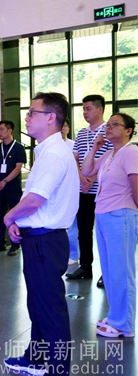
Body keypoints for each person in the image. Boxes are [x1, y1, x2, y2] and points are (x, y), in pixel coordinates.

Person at [3, 92, 79, 376]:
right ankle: (34, 358)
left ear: (51, 118)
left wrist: (9, 217)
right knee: (38, 305)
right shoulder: (48, 150)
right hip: (40, 238)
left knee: (50, 310)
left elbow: (35, 200)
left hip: (45, 242)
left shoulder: (55, 153)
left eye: (32, 112)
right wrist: (19, 222)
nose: (26, 118)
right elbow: (35, 201)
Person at [81, 113, 138, 338]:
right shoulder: (109, 154)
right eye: (109, 124)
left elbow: (136, 186)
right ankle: (116, 316)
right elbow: (87, 171)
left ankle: (124, 325)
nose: (109, 127)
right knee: (109, 271)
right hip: (104, 215)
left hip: (121, 215)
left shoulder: (131, 152)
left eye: (115, 125)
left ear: (128, 131)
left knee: (121, 271)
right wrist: (95, 147)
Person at [66, 95, 113, 289]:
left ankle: (107, 273)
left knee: (103, 233)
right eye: (83, 109)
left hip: (102, 190)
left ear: (100, 109)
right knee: (83, 231)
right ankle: (86, 267)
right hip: (82, 190)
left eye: (88, 108)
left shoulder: (109, 131)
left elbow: (111, 158)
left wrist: (92, 178)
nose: (85, 112)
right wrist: (80, 177)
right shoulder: (82, 133)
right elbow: (75, 158)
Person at [0, 120, 26, 256]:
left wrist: (4, 181)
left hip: (12, 188)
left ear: (10, 131)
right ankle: (1, 242)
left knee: (14, 216)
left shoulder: (18, 148)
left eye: (1, 129)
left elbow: (18, 168)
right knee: (1, 215)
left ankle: (15, 244)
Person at [62, 119, 79, 266]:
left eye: (65, 126)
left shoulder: (73, 145)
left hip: (71, 188)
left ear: (68, 128)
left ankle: (74, 255)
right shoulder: (49, 146)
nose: (62, 129)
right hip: (57, 190)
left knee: (73, 225)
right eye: (60, 126)